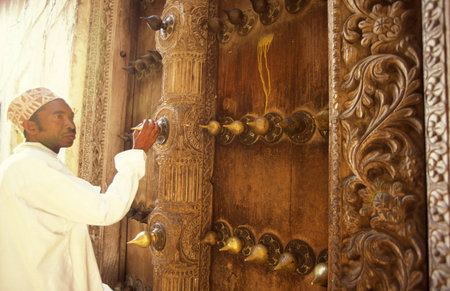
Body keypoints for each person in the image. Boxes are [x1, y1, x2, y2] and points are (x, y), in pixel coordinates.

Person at [0, 87, 159, 291]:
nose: (70, 125)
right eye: (59, 117)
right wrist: (137, 153)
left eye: (70, 117)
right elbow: (105, 210)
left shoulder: (18, 166)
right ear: (31, 127)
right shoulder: (33, 167)